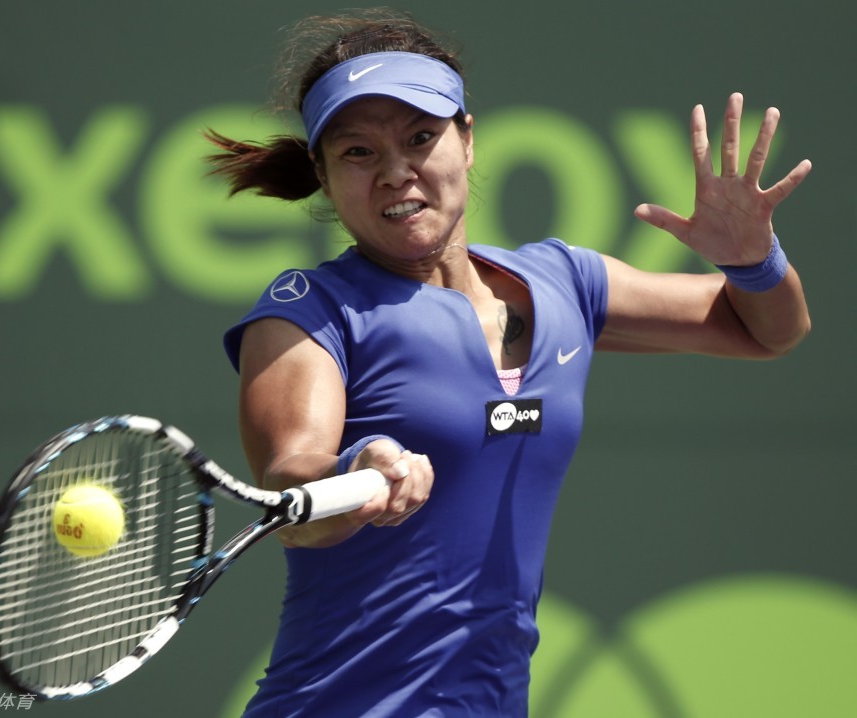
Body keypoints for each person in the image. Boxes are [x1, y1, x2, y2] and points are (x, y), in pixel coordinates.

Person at [208, 9, 811, 717]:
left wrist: (753, 261)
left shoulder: (567, 282)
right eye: (358, 153)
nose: (396, 172)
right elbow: (292, 486)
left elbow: (771, 329)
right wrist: (358, 471)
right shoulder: (308, 309)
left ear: (467, 140)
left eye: (420, 137)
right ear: (323, 173)